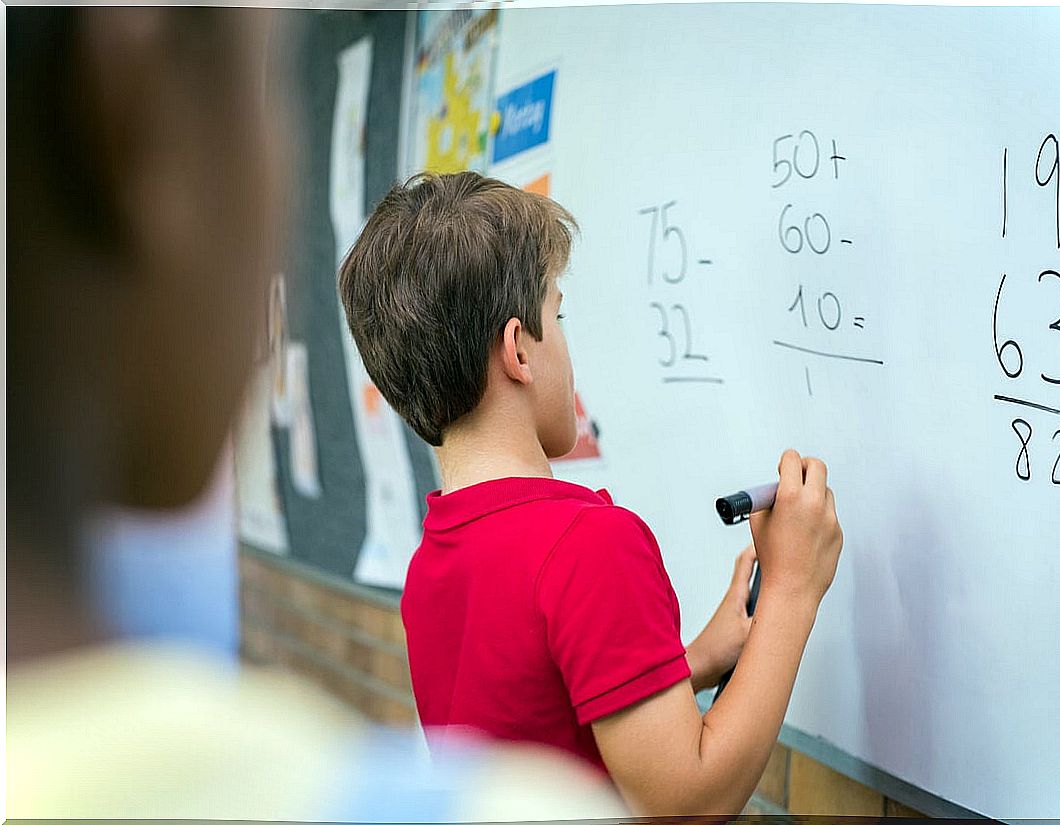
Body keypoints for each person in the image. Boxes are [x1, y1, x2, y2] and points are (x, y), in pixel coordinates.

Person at [7, 9, 624, 820]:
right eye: (270, 81)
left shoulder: (441, 550)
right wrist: (787, 600)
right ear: (134, 106)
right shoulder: (502, 802)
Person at [337, 170, 846, 816]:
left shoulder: (434, 559)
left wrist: (688, 663)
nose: (569, 339)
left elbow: (541, 724)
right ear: (519, 349)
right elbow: (686, 799)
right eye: (560, 312)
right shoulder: (588, 544)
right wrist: (791, 590)